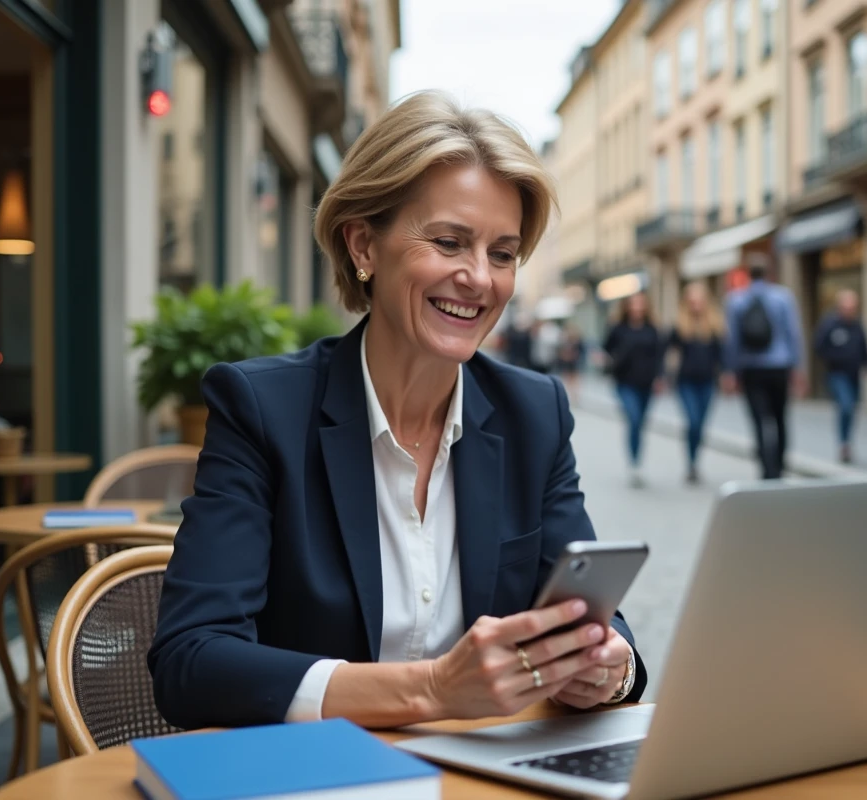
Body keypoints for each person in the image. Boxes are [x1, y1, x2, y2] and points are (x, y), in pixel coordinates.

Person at [148, 91, 647, 732]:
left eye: (502, 254)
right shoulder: (263, 409)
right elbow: (190, 662)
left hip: (482, 774)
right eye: (449, 242)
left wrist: (610, 668)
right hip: (314, 771)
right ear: (363, 246)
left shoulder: (535, 413)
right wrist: (431, 690)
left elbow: (598, 622)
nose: (479, 278)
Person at [722, 252, 806, 480]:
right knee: (780, 418)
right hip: (779, 366)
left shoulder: (736, 299)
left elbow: (732, 340)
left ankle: (766, 468)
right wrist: (798, 368)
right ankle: (779, 465)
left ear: (747, 273)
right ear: (770, 272)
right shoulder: (783, 297)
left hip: (751, 368)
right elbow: (793, 334)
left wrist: (730, 371)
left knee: (759, 420)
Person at [602, 292, 664, 488]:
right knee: (634, 418)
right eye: (633, 304)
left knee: (640, 424)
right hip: (625, 382)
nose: (637, 307)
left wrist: (660, 377)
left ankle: (637, 458)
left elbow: (659, 356)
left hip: (646, 383)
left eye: (640, 304)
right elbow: (606, 349)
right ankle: (634, 463)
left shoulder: (652, 329)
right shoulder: (618, 328)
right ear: (627, 307)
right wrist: (610, 361)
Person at [666, 282, 724, 484]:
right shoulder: (679, 325)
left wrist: (726, 375)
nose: (696, 305)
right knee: (693, 421)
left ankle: (695, 461)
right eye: (692, 301)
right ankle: (691, 462)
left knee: (701, 425)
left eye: (699, 301)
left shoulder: (715, 325)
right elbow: (667, 350)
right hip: (686, 381)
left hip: (708, 381)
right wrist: (666, 374)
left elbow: (721, 354)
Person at [813, 289, 867, 464]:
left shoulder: (857, 325)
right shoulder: (830, 324)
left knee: (851, 408)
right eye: (847, 307)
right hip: (837, 373)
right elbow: (818, 347)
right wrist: (834, 358)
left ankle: (847, 441)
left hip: (854, 373)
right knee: (845, 405)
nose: (850, 311)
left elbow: (864, 346)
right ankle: (843, 443)